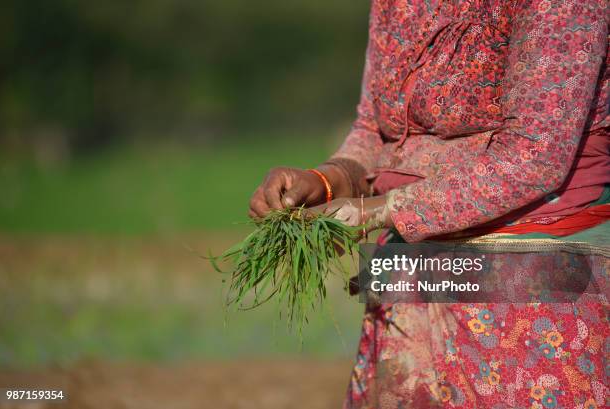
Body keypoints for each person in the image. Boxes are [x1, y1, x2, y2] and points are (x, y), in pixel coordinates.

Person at [249, 0, 609, 407]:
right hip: (414, 270)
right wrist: (328, 180)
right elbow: (375, 128)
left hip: (526, 280)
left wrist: (381, 210)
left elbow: (534, 155)